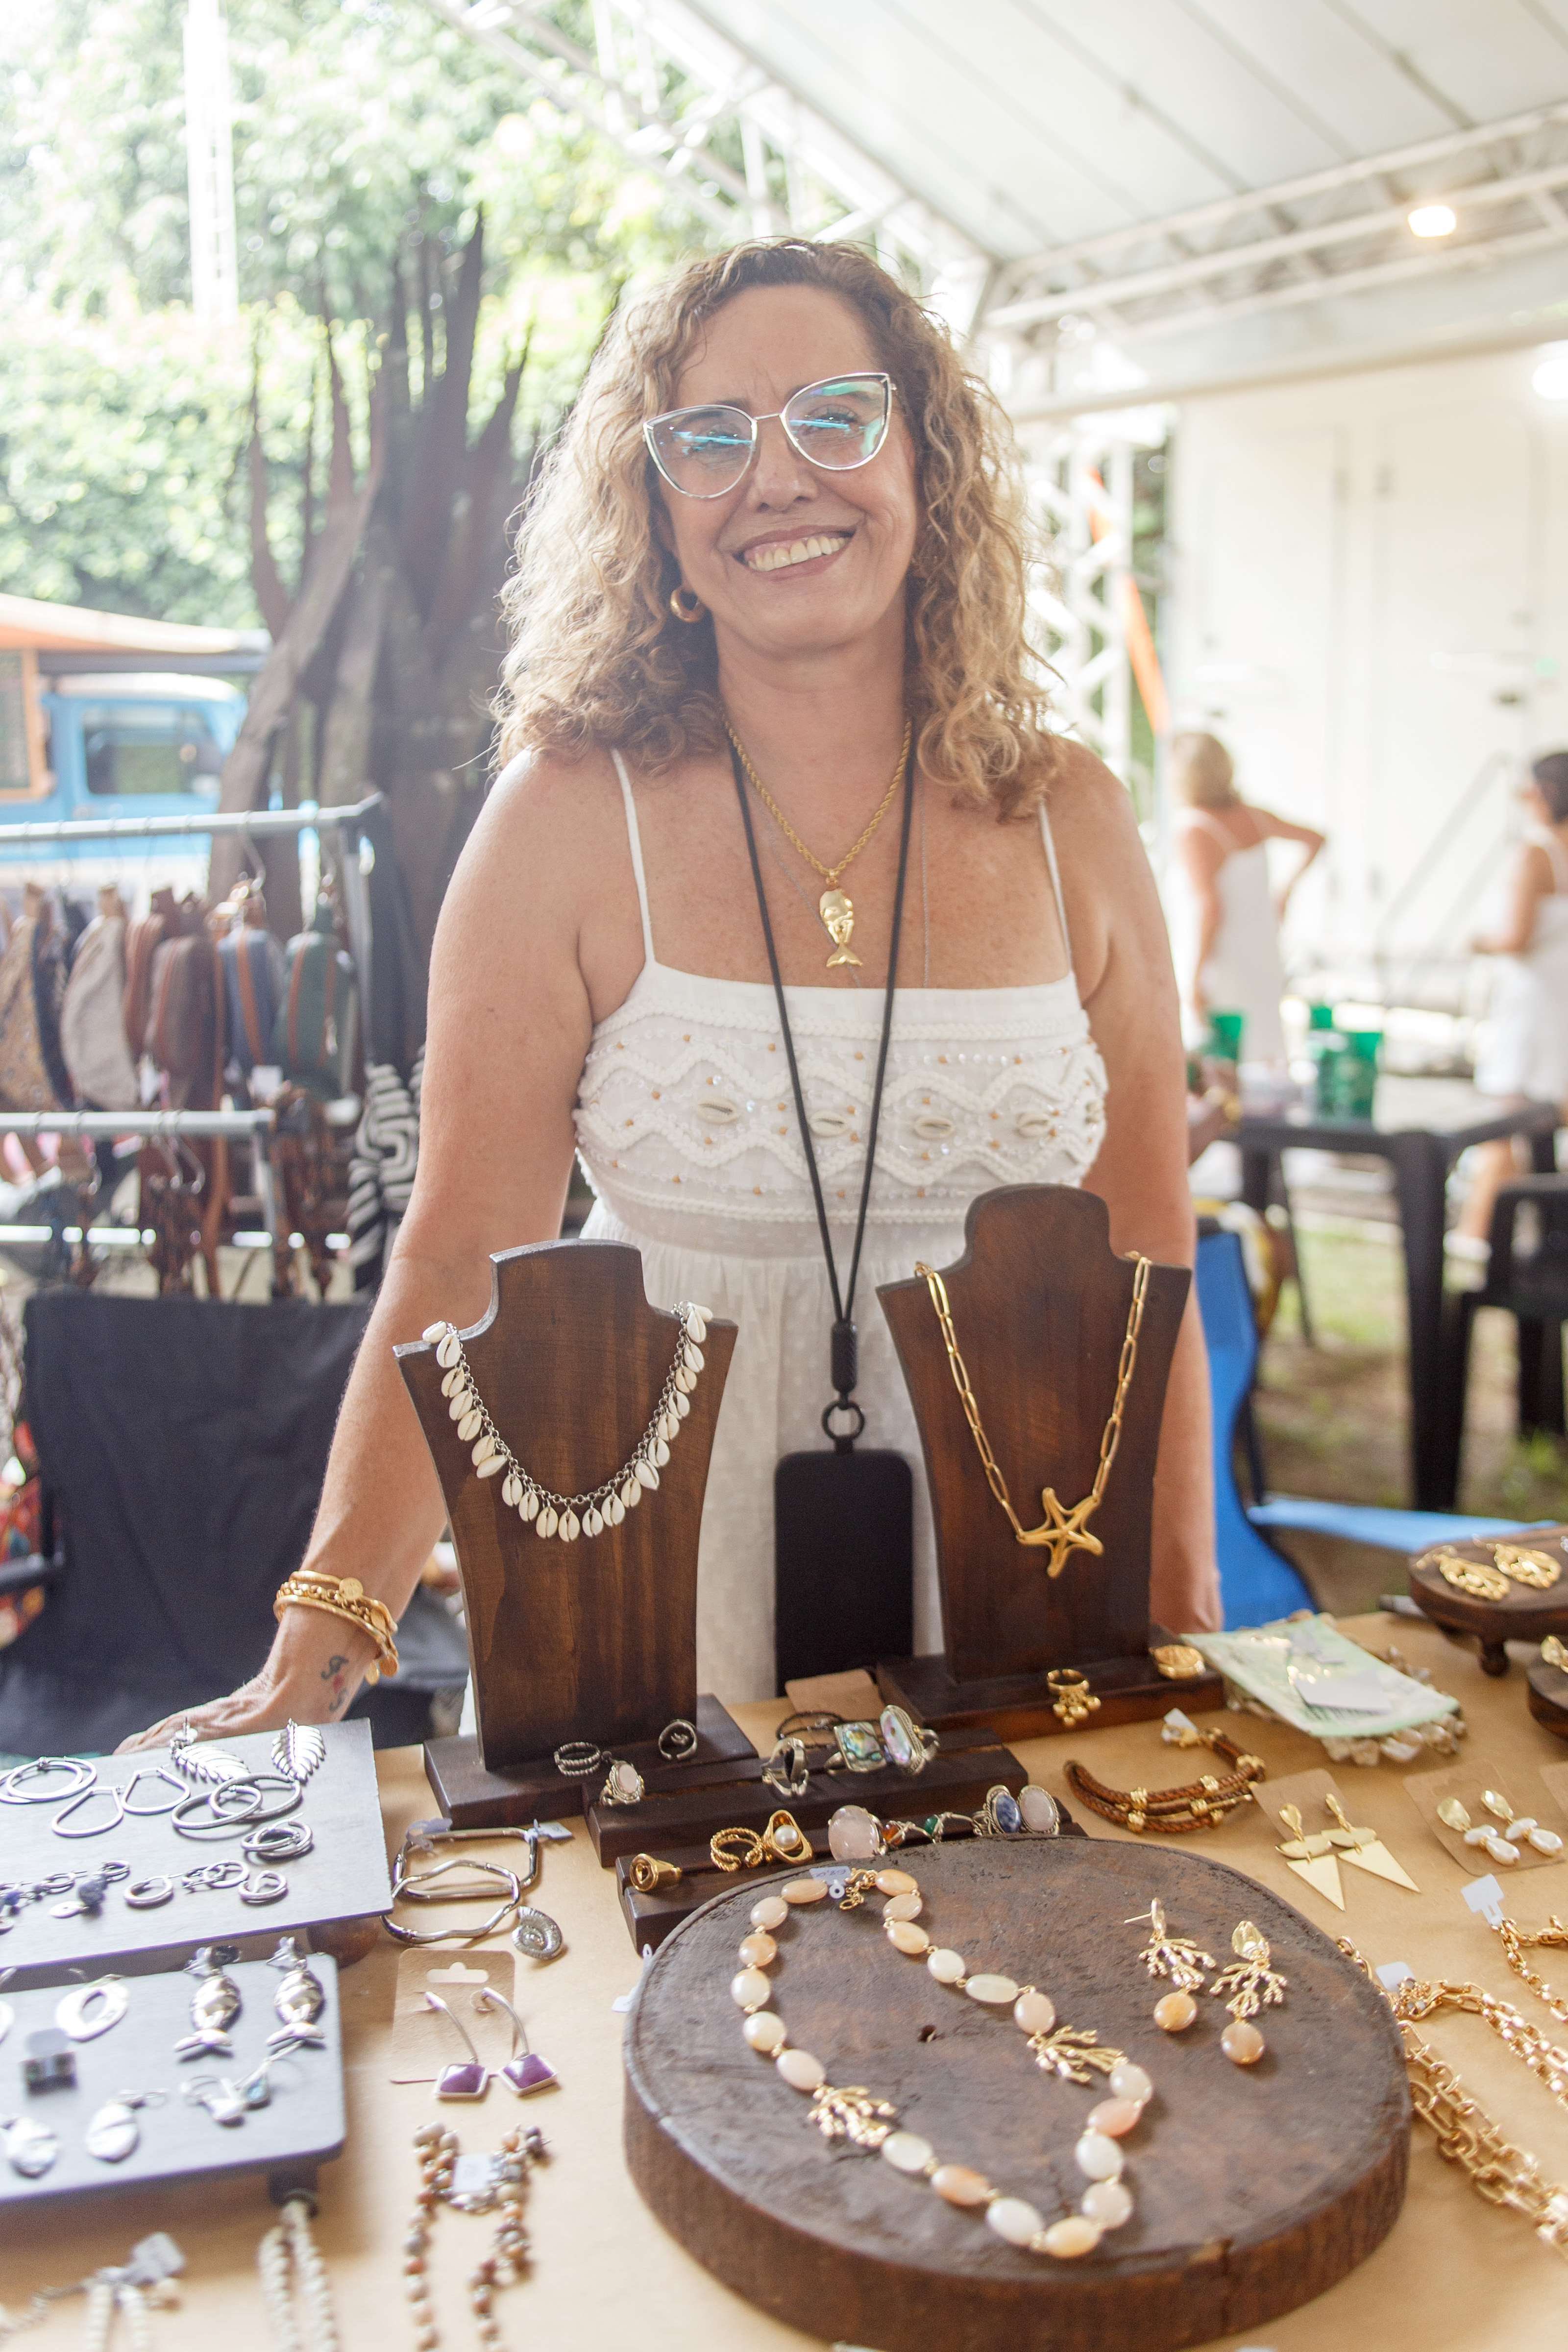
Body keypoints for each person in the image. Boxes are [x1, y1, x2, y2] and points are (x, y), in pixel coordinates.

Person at [125, 238, 1219, 1749]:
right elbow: (459, 1261)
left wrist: (1181, 1593)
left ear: (926, 455)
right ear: (653, 508)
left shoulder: (1069, 814)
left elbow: (1145, 1245)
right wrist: (322, 1639)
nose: (776, 478)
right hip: (644, 1612)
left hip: (1027, 1599)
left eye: (835, 416)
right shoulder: (570, 815)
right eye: (709, 438)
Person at [1453, 750, 1568, 1253]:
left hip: (1532, 1009)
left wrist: (1478, 941)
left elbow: (1515, 936)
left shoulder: (1536, 853)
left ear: (1546, 793)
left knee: (1503, 1124)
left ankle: (1476, 1239)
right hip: (1559, 1001)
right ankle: (1537, 1242)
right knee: (1543, 1127)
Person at [1167, 731, 1324, 1066]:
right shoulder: (1256, 817)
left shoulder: (1194, 829)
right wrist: (1285, 891)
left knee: (1221, 1055)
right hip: (1263, 949)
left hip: (1222, 957)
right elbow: (1316, 839)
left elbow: (1210, 908)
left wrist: (1195, 978)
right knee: (1265, 1045)